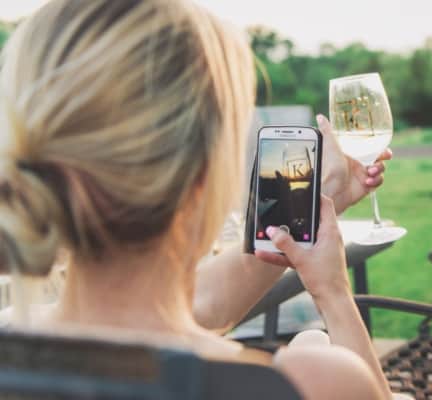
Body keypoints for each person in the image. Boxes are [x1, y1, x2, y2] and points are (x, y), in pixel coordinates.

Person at [0, 0, 403, 398]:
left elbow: (196, 307)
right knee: (314, 342)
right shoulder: (311, 384)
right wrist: (332, 291)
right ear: (206, 171)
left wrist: (319, 198)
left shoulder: (14, 337)